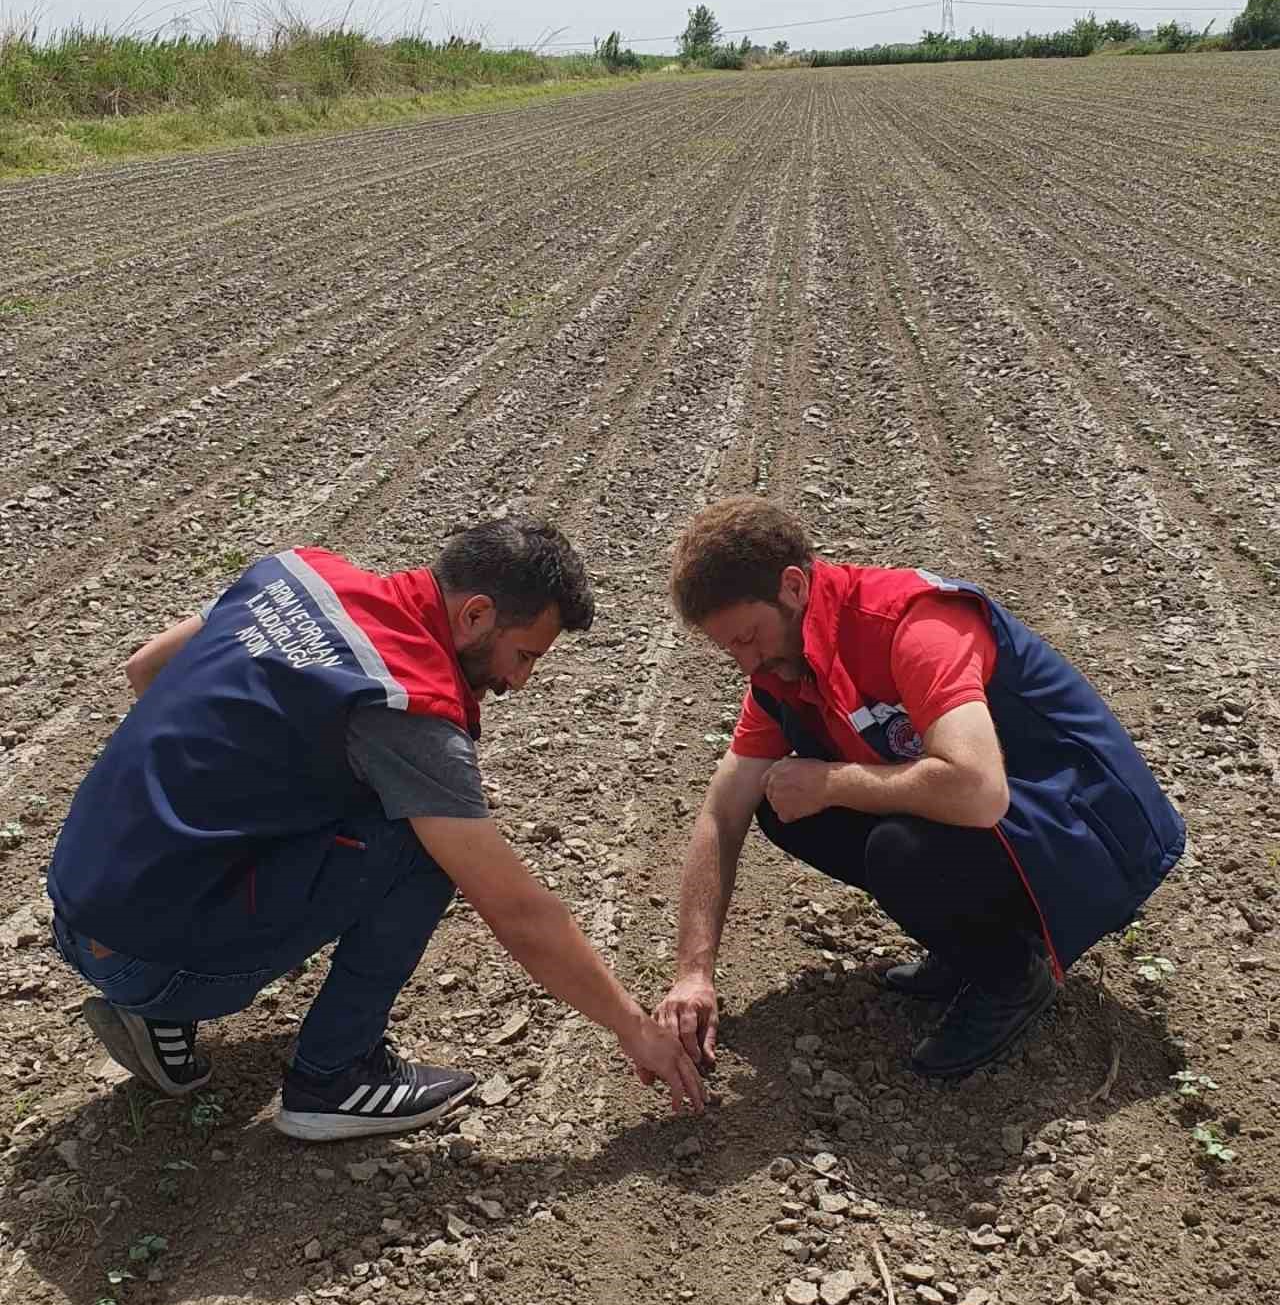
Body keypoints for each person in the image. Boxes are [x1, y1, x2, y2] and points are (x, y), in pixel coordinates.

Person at [49, 521, 703, 1140]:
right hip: (152, 959)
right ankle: (333, 1078)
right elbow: (515, 909)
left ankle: (156, 1000)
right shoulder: (405, 701)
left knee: (333, 793)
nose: (518, 681)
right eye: (523, 655)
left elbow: (146, 669)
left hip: (78, 907)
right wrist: (633, 1027)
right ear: (476, 615)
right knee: (422, 845)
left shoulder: (296, 574)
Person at [655, 497, 1184, 1079]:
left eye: (749, 637)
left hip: (1093, 833)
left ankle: (1011, 976)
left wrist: (834, 782)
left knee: (896, 848)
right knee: (781, 803)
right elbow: (723, 812)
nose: (745, 662)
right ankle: (970, 946)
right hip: (1016, 823)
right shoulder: (784, 671)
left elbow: (978, 790)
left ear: (793, 587)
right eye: (729, 647)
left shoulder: (913, 624)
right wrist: (693, 973)